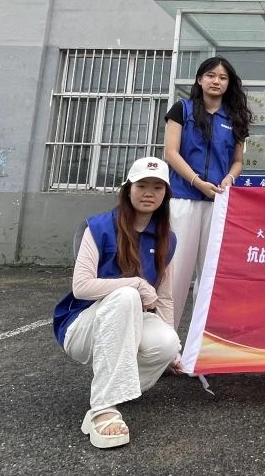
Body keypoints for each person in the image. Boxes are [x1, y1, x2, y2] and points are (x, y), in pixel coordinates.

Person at [52, 156, 182, 449]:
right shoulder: (98, 227)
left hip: (128, 321)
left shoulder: (167, 239)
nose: (149, 193)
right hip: (82, 326)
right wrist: (135, 283)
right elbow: (81, 287)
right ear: (128, 189)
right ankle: (103, 409)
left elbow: (164, 297)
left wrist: (173, 354)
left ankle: (110, 391)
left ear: (165, 195)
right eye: (142, 185)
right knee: (126, 295)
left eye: (157, 187)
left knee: (167, 343)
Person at [163, 56, 251, 328]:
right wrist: (197, 181)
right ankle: (165, 341)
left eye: (222, 78)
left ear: (229, 84)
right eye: (211, 76)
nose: (216, 81)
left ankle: (202, 342)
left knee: (210, 274)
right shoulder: (182, 109)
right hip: (183, 199)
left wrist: (229, 179)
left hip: (218, 204)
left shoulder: (235, 118)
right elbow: (171, 153)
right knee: (176, 272)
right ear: (200, 80)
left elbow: (238, 161)